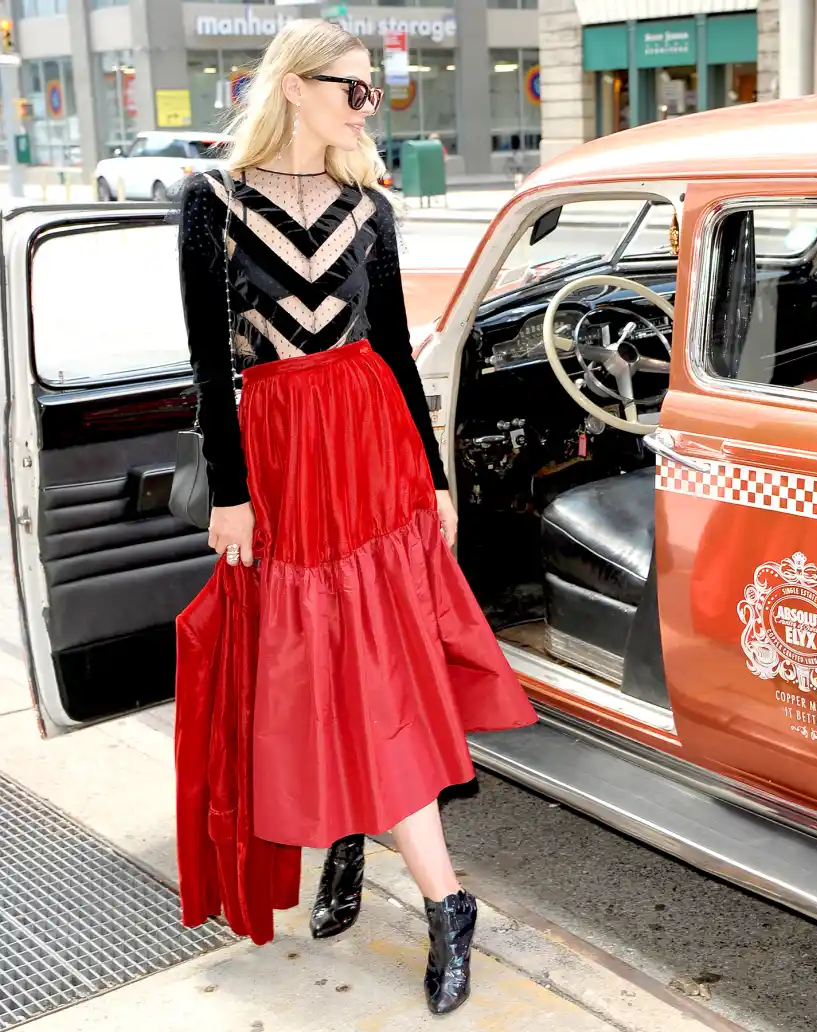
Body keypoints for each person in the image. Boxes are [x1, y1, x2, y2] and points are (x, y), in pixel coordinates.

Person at [174, 18, 537, 1015]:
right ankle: (348, 836)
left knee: (373, 667)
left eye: (372, 89)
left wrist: (434, 479)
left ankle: (445, 903)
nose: (368, 104)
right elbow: (209, 364)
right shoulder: (211, 202)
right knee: (310, 664)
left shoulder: (369, 206)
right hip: (285, 460)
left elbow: (396, 357)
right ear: (294, 87)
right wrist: (232, 493)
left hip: (372, 454)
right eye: (354, 87)